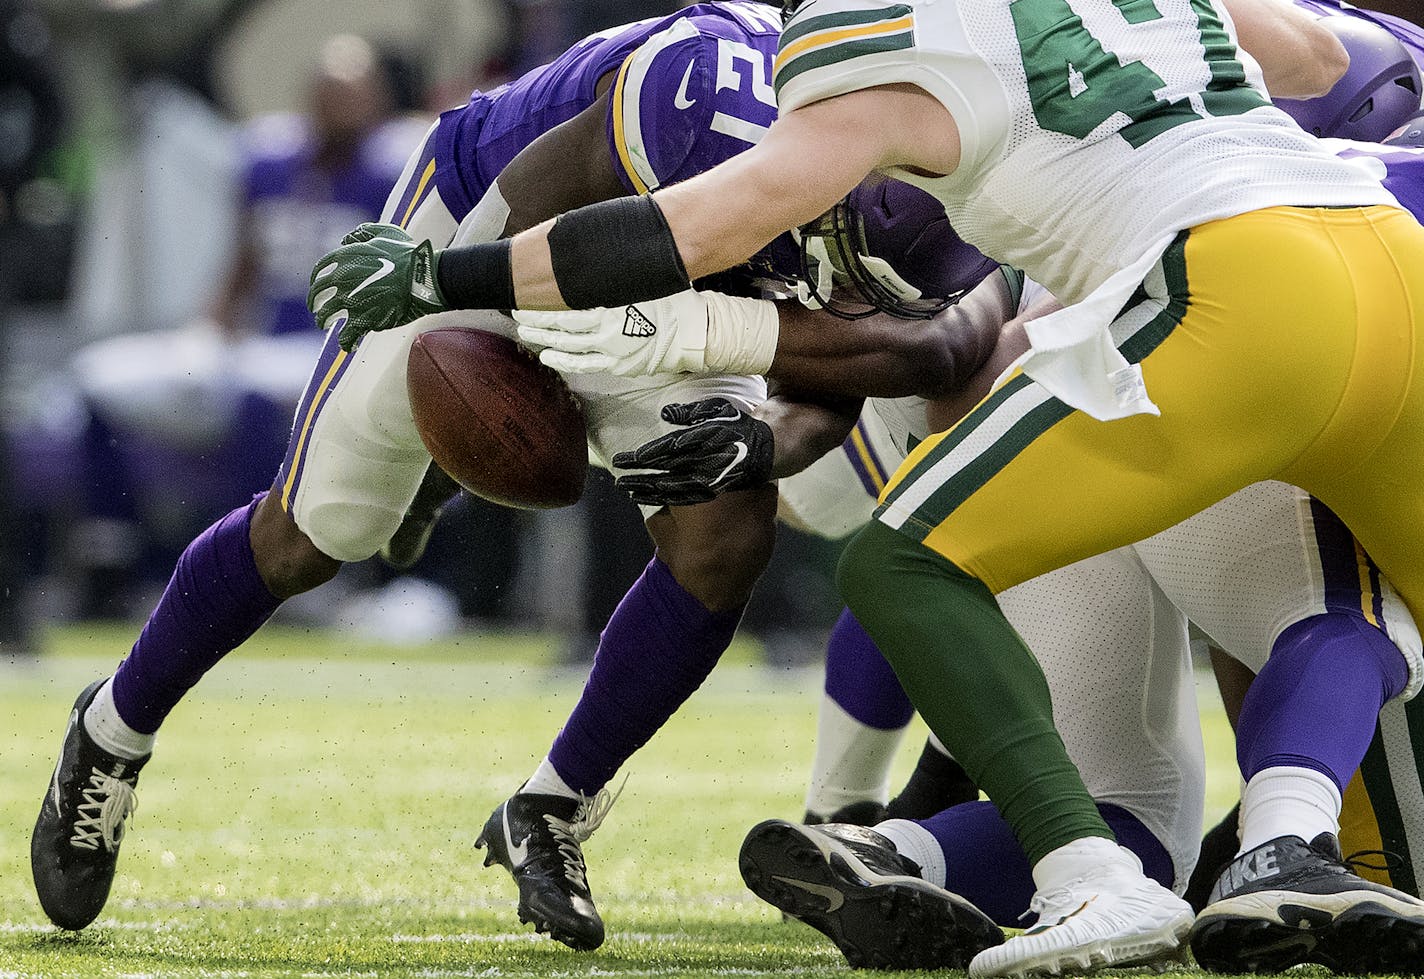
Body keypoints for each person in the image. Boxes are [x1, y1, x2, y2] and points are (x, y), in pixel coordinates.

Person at [309, 0, 1424, 971]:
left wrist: (445, 271)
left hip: (1204, 305)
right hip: (1375, 261)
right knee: (1340, 624)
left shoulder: (881, 42)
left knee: (907, 560)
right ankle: (1053, 845)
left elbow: (699, 224)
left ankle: (1052, 862)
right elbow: (1328, 63)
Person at [65, 34, 421, 617]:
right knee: (100, 382)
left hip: (343, 346)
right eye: (328, 93)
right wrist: (208, 331)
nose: (338, 108)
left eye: (352, 95)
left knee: (256, 401)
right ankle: (117, 551)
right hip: (264, 344)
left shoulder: (394, 170)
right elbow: (243, 265)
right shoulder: (271, 162)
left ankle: (256, 569)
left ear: (377, 102)